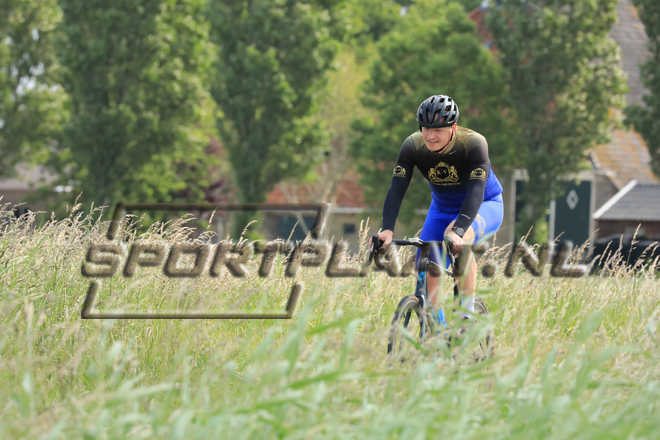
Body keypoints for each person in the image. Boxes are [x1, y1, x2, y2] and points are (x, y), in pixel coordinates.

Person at [376, 94, 504, 319]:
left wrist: (460, 231)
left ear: (453, 128)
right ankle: (438, 331)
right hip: (442, 209)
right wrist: (387, 229)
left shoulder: (473, 144)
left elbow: (476, 191)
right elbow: (397, 187)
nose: (430, 136)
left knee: (460, 240)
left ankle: (466, 314)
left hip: (484, 204)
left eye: (438, 130)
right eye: (426, 128)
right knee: (427, 269)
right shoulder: (413, 145)